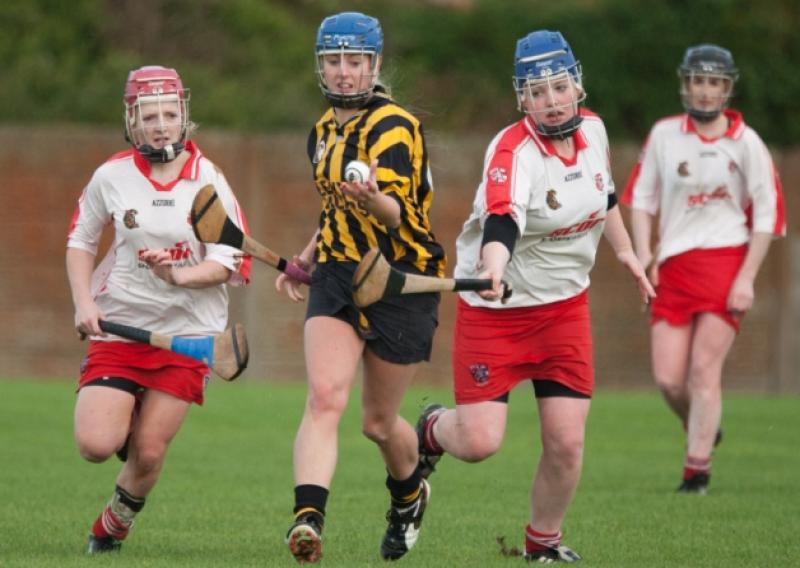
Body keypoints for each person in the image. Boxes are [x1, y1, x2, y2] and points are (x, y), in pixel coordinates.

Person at [415, 30, 655, 563]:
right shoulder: (511, 152)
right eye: (537, 91)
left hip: (565, 310)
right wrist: (494, 267)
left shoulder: (595, 130)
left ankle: (542, 542)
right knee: (480, 443)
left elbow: (604, 194)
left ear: (577, 86)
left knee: (567, 444)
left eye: (559, 87)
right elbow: (502, 220)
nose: (551, 101)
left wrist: (627, 253)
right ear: (521, 98)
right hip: (496, 313)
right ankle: (432, 428)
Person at [274, 11, 446, 564]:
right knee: (325, 397)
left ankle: (409, 493)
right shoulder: (321, 131)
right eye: (333, 61)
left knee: (377, 423)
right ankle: (307, 520)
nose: (344, 72)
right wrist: (304, 257)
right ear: (319, 65)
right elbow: (332, 208)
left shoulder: (394, 126)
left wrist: (372, 197)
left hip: (400, 279)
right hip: (339, 273)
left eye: (355, 61)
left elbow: (396, 215)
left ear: (373, 64)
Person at [66, 65, 251, 554]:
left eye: (170, 113)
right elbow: (80, 241)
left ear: (184, 115)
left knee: (148, 452)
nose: (161, 124)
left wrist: (177, 276)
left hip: (189, 330)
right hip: (121, 322)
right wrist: (84, 302)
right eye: (150, 115)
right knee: (95, 444)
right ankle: (124, 409)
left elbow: (229, 261)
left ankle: (113, 526)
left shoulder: (208, 180)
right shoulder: (111, 176)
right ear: (133, 119)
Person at [621, 44, 785, 494]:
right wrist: (645, 253)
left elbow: (769, 216)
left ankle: (697, 470)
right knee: (670, 380)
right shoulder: (664, 135)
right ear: (685, 84)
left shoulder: (746, 142)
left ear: (727, 88)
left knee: (702, 371)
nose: (705, 90)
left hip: (726, 263)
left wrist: (747, 278)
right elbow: (641, 199)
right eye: (698, 80)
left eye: (714, 82)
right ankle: (704, 426)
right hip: (672, 266)